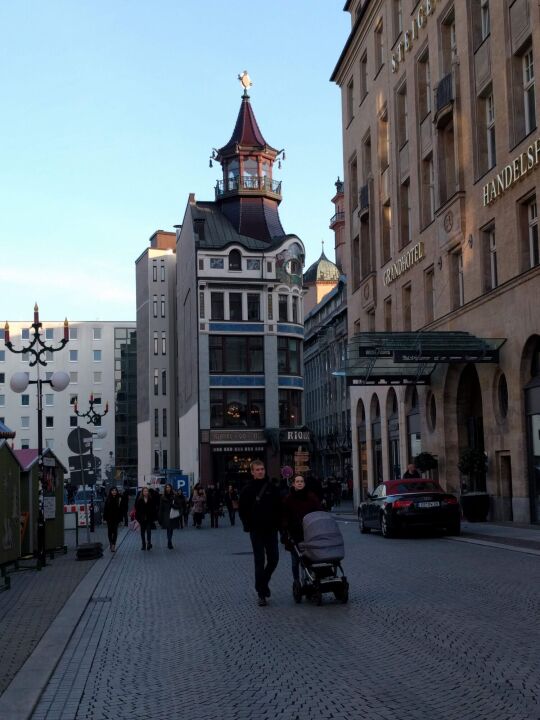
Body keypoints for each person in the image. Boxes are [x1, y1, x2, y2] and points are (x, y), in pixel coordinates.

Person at [238, 460, 282, 607]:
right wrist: (247, 525)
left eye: (262, 469)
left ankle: (262, 583)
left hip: (271, 529)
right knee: (259, 560)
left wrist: (280, 526)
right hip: (256, 530)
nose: (260, 471)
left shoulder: (272, 487)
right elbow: (242, 510)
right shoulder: (247, 489)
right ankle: (261, 594)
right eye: (257, 469)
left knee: (274, 558)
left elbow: (279, 507)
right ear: (252, 472)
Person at [281, 475, 322, 583]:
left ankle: (309, 580)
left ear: (304, 483)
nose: (299, 483)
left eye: (302, 481)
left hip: (310, 532)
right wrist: (285, 530)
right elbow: (284, 516)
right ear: (293, 484)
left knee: (310, 559)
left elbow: (318, 511)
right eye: (297, 481)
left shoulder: (311, 497)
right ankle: (296, 581)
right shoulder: (288, 499)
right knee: (295, 560)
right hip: (295, 534)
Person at [158, 483, 182, 549]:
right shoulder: (162, 497)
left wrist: (173, 505)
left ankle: (169, 540)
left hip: (172, 514)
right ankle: (169, 542)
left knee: (171, 529)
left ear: (171, 488)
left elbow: (179, 505)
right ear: (165, 489)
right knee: (168, 529)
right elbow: (161, 508)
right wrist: (160, 517)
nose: (168, 488)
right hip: (166, 515)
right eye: (167, 487)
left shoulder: (174, 496)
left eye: (169, 487)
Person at [103, 486, 123, 552]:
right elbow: (105, 509)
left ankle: (113, 545)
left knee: (115, 531)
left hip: (116, 518)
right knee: (110, 531)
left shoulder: (119, 499)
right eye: (113, 490)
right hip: (109, 518)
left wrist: (121, 519)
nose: (114, 492)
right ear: (110, 491)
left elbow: (121, 510)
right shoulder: (108, 499)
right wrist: (104, 519)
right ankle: (111, 543)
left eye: (115, 490)